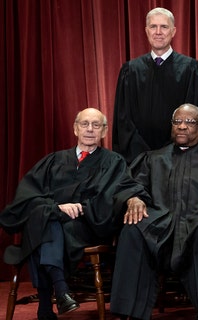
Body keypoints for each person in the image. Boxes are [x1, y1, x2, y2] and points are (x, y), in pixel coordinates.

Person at [0, 108, 147, 320]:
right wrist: (56, 208)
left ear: (104, 131)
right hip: (53, 223)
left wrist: (76, 208)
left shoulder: (113, 162)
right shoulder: (53, 160)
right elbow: (26, 197)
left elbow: (108, 201)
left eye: (96, 125)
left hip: (86, 225)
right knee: (45, 216)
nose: (89, 129)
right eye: (84, 124)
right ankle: (60, 290)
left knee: (43, 221)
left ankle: (47, 302)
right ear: (75, 128)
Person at [109, 104, 198, 320]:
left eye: (190, 122)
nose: (182, 127)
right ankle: (130, 311)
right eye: (177, 122)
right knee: (132, 230)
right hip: (160, 225)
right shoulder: (153, 158)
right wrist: (133, 197)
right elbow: (129, 184)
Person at [112, 7, 198, 164]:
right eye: (153, 27)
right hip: (138, 159)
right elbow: (123, 119)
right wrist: (143, 153)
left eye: (164, 27)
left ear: (173, 31)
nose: (158, 32)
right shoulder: (130, 70)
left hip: (182, 157)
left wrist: (171, 149)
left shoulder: (191, 69)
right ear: (146, 31)